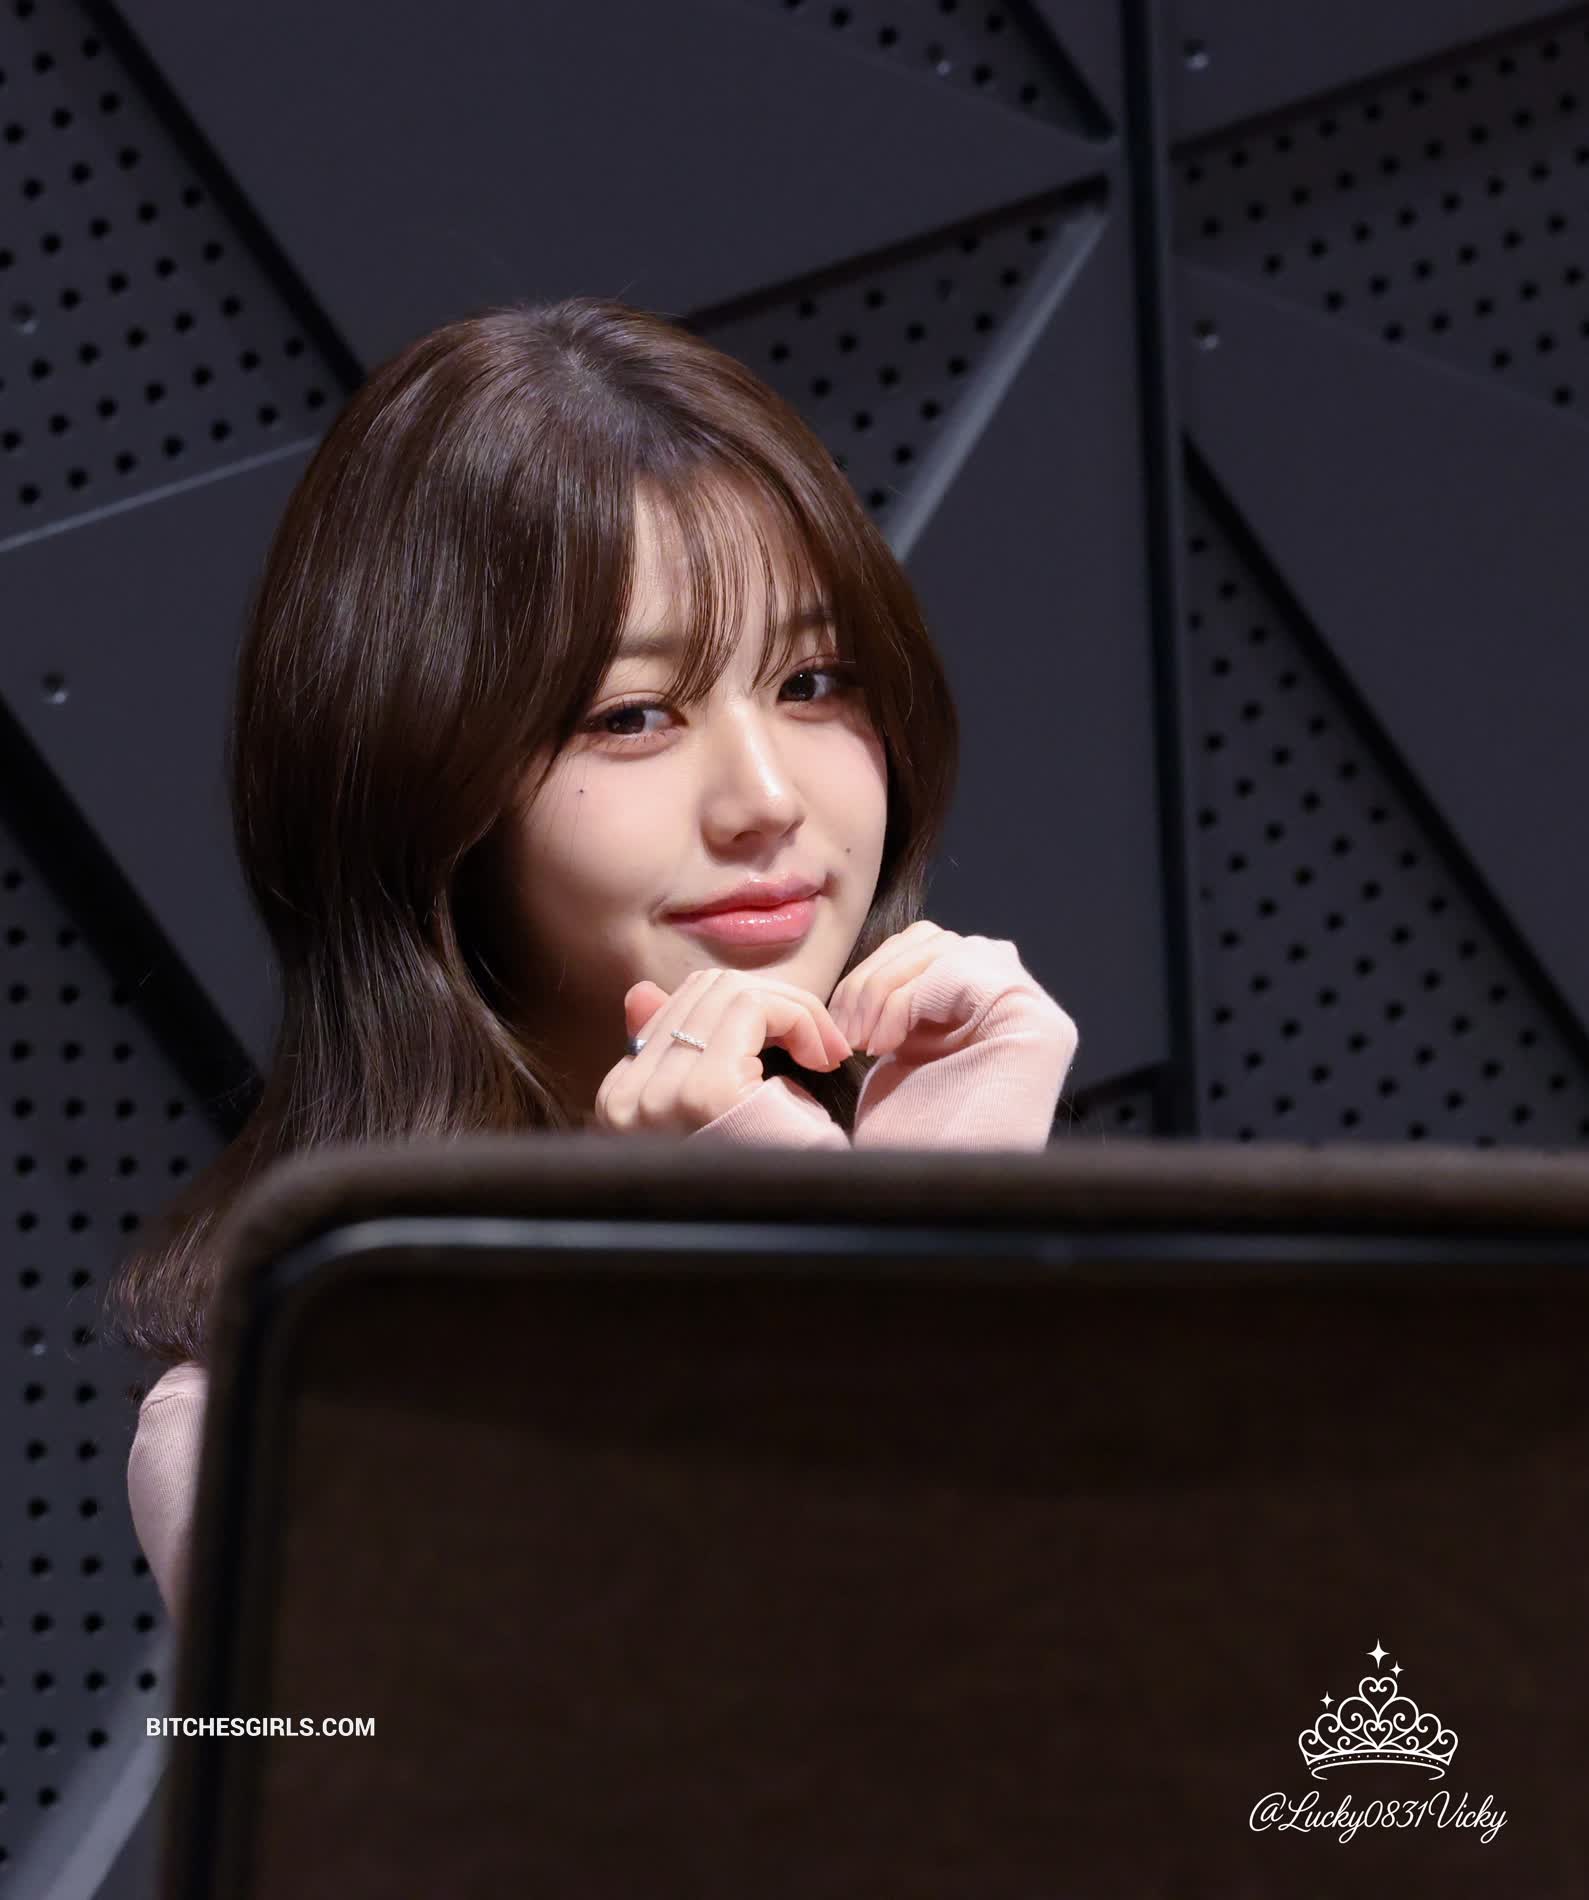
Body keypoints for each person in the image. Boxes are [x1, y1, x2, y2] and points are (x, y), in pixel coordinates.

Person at [102, 297, 1080, 1626]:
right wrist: (828, 1276)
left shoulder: (1068, 1265)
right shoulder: (283, 1418)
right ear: (423, 788)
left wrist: (942, 1226)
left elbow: (1255, 1735)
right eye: (631, 715)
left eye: (813, 682)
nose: (765, 799)